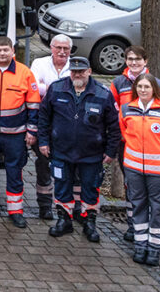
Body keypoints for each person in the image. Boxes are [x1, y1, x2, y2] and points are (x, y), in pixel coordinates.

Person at [38, 56, 120, 242]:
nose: (77, 74)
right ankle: (64, 221)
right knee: (61, 186)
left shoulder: (102, 93)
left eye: (81, 71)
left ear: (89, 71)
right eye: (74, 71)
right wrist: (43, 141)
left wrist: (111, 150)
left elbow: (114, 126)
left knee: (91, 189)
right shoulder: (56, 88)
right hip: (61, 151)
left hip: (91, 154)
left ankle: (89, 223)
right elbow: (44, 118)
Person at [0, 37, 41, 228]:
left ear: (13, 51)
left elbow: (34, 104)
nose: (2, 53)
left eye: (6, 50)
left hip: (16, 134)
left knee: (14, 172)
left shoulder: (25, 73)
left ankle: (16, 211)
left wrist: (32, 130)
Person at [110, 44, 160, 241]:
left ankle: (149, 230)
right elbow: (112, 112)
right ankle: (133, 226)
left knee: (150, 192)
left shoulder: (158, 85)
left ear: (145, 61)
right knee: (132, 186)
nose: (134, 63)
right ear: (125, 61)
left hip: (154, 148)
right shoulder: (119, 83)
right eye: (130, 59)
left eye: (138, 59)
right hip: (127, 144)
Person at [120, 73, 160, 266]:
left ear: (154, 89)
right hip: (134, 170)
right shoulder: (126, 110)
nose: (143, 90)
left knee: (158, 209)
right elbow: (125, 134)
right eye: (140, 87)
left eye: (147, 87)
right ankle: (140, 245)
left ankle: (155, 248)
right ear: (135, 89)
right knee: (138, 205)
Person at [29, 34, 73, 219]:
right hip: (43, 121)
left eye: (66, 49)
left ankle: (70, 208)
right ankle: (45, 206)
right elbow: (33, 88)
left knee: (69, 167)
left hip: (68, 125)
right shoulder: (39, 63)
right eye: (58, 48)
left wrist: (47, 88)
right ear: (51, 47)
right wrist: (61, 90)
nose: (62, 52)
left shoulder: (76, 65)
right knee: (43, 164)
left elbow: (80, 88)